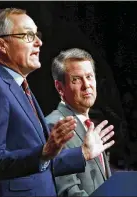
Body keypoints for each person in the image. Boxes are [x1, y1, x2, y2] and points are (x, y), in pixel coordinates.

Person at [0, 8, 115, 197]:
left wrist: (82, 153)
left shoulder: (19, 87)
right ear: (1, 45)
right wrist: (44, 152)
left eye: (37, 35)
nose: (39, 42)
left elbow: (42, 166)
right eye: (28, 35)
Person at [46, 48, 113, 196]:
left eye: (89, 76)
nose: (86, 85)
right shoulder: (56, 126)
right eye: (76, 79)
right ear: (60, 87)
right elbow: (68, 191)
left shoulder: (88, 126)